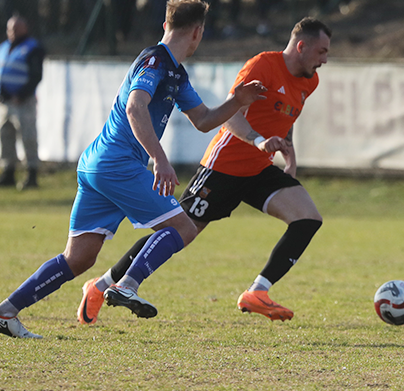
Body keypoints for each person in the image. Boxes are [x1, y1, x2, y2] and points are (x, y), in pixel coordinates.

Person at [0, 0, 268, 339]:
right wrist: (160, 160)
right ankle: (125, 285)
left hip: (98, 165)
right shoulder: (155, 61)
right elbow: (135, 108)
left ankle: (5, 312)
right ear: (198, 32)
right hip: (117, 164)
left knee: (79, 257)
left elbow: (204, 119)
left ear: (167, 25)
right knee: (184, 227)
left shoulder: (174, 72)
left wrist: (237, 101)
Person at [77, 17, 331, 325]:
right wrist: (259, 140)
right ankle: (101, 285)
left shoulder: (309, 81)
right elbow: (230, 114)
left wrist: (288, 157)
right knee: (178, 233)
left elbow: (286, 118)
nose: (324, 60)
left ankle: (258, 292)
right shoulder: (263, 65)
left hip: (260, 169)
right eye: (321, 51)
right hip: (223, 167)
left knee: (308, 219)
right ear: (301, 46)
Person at [0, 15, 45, 190]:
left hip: (23, 102)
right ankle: (8, 172)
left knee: (28, 136)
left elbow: (36, 75)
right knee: (5, 135)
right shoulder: (3, 47)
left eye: (16, 28)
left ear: (25, 29)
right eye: (9, 28)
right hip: (5, 103)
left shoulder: (32, 48)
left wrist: (22, 94)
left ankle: (32, 174)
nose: (12, 32)